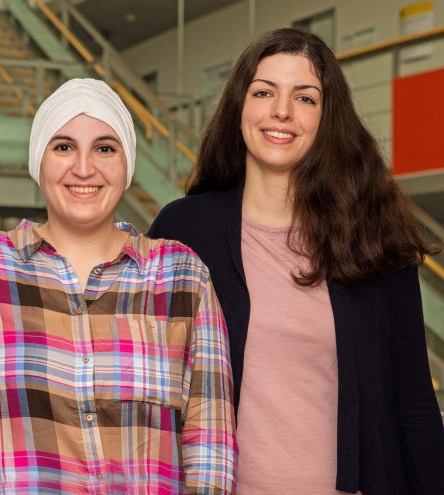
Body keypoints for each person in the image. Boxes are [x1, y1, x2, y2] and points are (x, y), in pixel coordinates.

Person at [149, 28, 444, 494]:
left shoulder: (373, 240)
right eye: (264, 92)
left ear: (327, 118)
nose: (281, 111)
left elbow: (414, 405)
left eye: (305, 97)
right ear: (239, 107)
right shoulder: (184, 230)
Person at [0, 78, 236, 494]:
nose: (84, 168)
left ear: (127, 164)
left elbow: (210, 449)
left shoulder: (181, 277)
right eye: (63, 147)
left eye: (105, 148)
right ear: (38, 160)